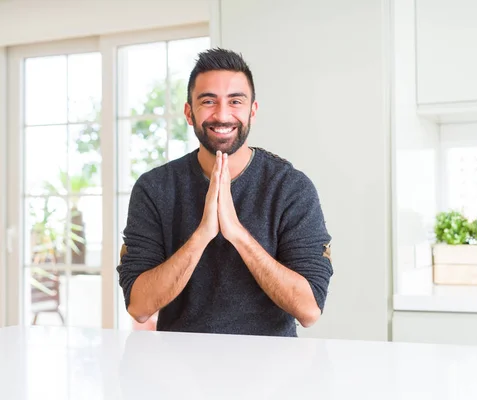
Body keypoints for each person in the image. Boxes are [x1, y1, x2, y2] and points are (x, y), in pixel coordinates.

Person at [116, 48, 333, 337]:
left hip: (273, 372)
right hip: (179, 368)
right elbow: (139, 306)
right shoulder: (154, 188)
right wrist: (203, 234)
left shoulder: (291, 188)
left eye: (235, 101)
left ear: (252, 111)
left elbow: (309, 310)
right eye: (208, 101)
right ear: (189, 112)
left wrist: (237, 234)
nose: (222, 114)